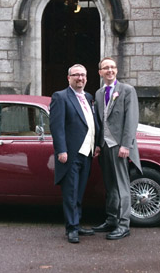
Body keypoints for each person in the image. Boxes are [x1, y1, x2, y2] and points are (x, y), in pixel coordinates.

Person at [92, 57, 142, 240]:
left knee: (122, 186)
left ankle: (123, 224)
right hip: (105, 146)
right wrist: (98, 144)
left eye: (112, 67)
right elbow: (99, 121)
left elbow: (131, 119)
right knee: (110, 185)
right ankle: (112, 219)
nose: (110, 70)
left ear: (116, 70)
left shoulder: (127, 90)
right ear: (100, 72)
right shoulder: (98, 93)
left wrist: (126, 145)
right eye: (106, 68)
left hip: (120, 146)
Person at [49, 64, 98, 244]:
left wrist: (97, 145)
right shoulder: (60, 97)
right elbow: (57, 127)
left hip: (87, 152)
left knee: (79, 192)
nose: (80, 78)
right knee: (70, 192)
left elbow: (92, 123)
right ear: (68, 78)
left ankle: (77, 223)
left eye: (83, 75)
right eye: (76, 75)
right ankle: (71, 228)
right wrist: (61, 150)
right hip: (70, 154)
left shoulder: (89, 97)